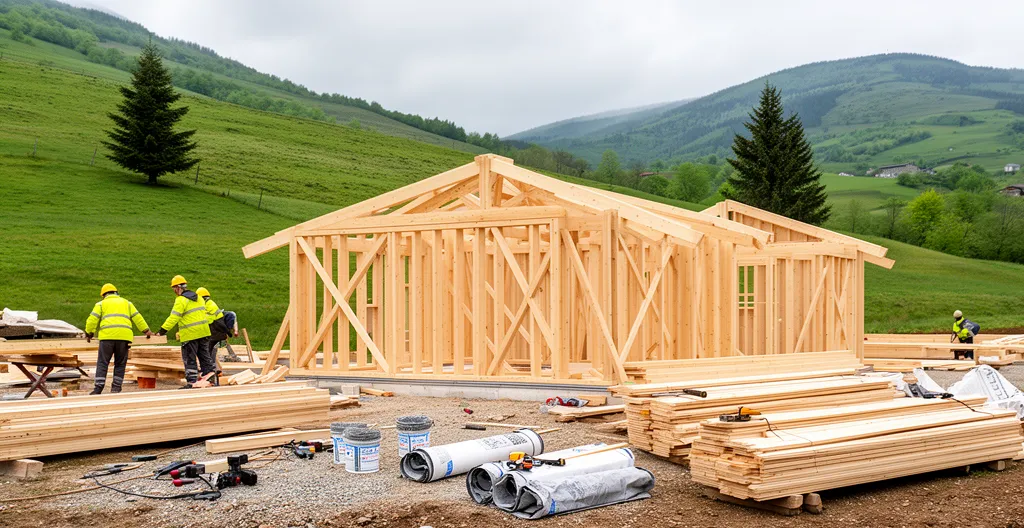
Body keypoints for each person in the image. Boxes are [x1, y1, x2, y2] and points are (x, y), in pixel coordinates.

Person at [84, 283, 153, 394]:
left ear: (103, 295)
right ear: (116, 293)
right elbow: (137, 317)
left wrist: (89, 333)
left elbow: (92, 320)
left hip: (107, 337)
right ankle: (116, 388)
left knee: (103, 362)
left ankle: (98, 388)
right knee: (120, 363)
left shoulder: (101, 304)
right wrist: (146, 331)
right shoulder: (127, 303)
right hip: (124, 337)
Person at [157, 275, 212, 388]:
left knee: (189, 359)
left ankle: (192, 382)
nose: (174, 292)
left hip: (190, 334)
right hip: (204, 332)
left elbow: (174, 317)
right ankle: (210, 379)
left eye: (174, 289)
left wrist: (162, 331)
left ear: (178, 287)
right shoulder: (199, 298)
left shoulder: (181, 300)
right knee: (204, 357)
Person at [196, 287, 233, 384]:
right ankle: (212, 378)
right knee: (210, 356)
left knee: (207, 356)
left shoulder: (207, 306)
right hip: (216, 335)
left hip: (212, 335)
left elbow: (207, 320)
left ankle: (210, 379)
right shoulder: (210, 304)